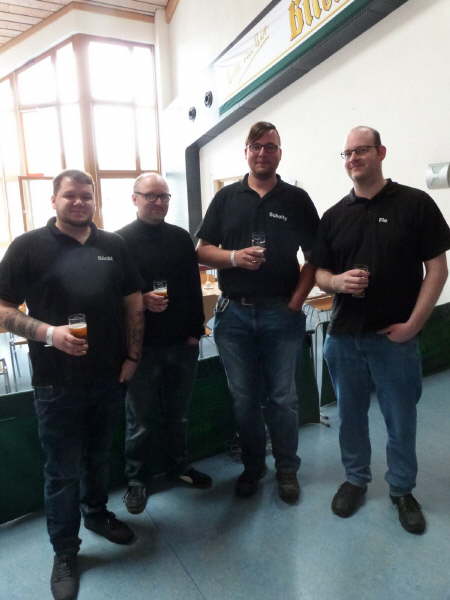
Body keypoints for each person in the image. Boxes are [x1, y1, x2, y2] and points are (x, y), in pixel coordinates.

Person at [0, 169, 144, 600]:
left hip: (108, 377)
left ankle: (97, 514)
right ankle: (65, 551)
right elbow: (2, 307)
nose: (79, 202)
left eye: (86, 196)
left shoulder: (113, 245)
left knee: (98, 458)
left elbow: (133, 303)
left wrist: (133, 357)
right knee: (61, 471)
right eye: (70, 196)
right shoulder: (27, 247)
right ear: (53, 200)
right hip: (55, 383)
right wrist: (49, 333)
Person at [313, 126, 450, 534]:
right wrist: (337, 282)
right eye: (347, 153)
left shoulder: (415, 203)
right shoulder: (334, 216)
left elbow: (437, 269)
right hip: (343, 337)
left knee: (400, 418)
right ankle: (355, 480)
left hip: (395, 338)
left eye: (361, 150)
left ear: (381, 152)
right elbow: (319, 273)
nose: (353, 159)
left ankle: (402, 490)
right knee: (349, 416)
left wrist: (414, 325)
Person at [196, 121, 319, 503]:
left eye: (270, 146)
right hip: (233, 316)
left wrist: (296, 301)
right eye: (256, 146)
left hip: (281, 314)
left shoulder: (296, 199)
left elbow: (315, 257)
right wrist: (234, 257)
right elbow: (201, 251)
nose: (262, 153)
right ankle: (253, 467)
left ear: (279, 153)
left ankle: (286, 469)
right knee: (244, 399)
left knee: (282, 398)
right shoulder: (226, 198)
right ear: (246, 152)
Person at [117, 173, 212, 516]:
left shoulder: (180, 237)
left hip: (182, 344)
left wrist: (195, 331)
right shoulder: (119, 241)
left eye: (164, 197)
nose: (158, 202)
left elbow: (192, 287)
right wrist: (141, 300)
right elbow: (112, 295)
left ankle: (179, 467)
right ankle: (136, 480)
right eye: (151, 196)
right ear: (135, 198)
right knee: (140, 419)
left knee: (178, 415)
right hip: (141, 348)